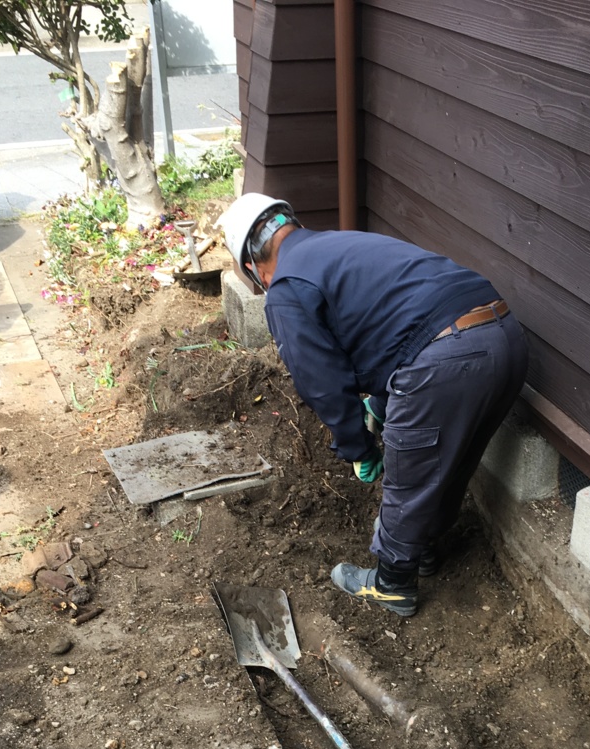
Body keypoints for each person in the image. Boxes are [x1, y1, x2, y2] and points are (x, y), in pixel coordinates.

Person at [219, 192, 529, 618]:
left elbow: (322, 383)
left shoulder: (287, 287)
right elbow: (398, 327)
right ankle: (423, 550)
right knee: (449, 462)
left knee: (408, 476)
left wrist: (358, 447)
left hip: (445, 359)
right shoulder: (341, 246)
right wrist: (381, 407)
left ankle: (393, 585)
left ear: (253, 264)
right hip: (504, 337)